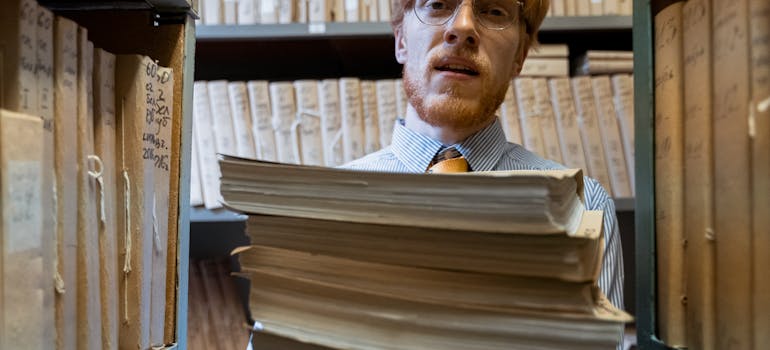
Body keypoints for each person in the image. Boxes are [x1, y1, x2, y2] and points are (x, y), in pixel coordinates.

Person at [342, 0, 624, 312]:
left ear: (520, 56)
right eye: (437, 4)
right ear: (401, 40)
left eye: (493, 11)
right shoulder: (328, 208)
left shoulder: (584, 208)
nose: (462, 28)